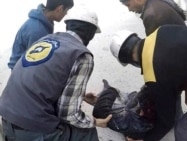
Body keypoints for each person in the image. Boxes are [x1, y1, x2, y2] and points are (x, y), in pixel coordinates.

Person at [0, 6, 112, 141]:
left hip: (6, 121)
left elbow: (43, 82)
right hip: (31, 131)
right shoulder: (82, 55)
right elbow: (69, 114)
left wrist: (79, 96)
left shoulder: (46, 39)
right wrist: (95, 122)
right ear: (91, 34)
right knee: (87, 132)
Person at [119, 0, 187, 125]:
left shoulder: (152, 14)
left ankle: (178, 125)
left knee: (172, 96)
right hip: (182, 55)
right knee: (176, 95)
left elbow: (155, 51)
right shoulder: (158, 4)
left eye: (128, 5)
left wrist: (152, 83)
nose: (129, 10)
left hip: (178, 62)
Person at [7, 0, 74, 70]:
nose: (66, 14)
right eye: (66, 10)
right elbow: (34, 64)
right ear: (60, 9)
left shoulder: (43, 21)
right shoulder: (38, 30)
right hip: (21, 73)